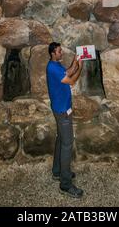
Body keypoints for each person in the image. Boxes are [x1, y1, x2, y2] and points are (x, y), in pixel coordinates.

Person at [46, 42, 83, 198]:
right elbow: (71, 80)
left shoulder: (56, 65)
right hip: (62, 111)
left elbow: (67, 72)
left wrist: (76, 61)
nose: (62, 53)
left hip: (61, 108)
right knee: (67, 144)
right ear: (53, 53)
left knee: (61, 140)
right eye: (60, 51)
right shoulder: (52, 68)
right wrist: (80, 68)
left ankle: (57, 172)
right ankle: (65, 184)